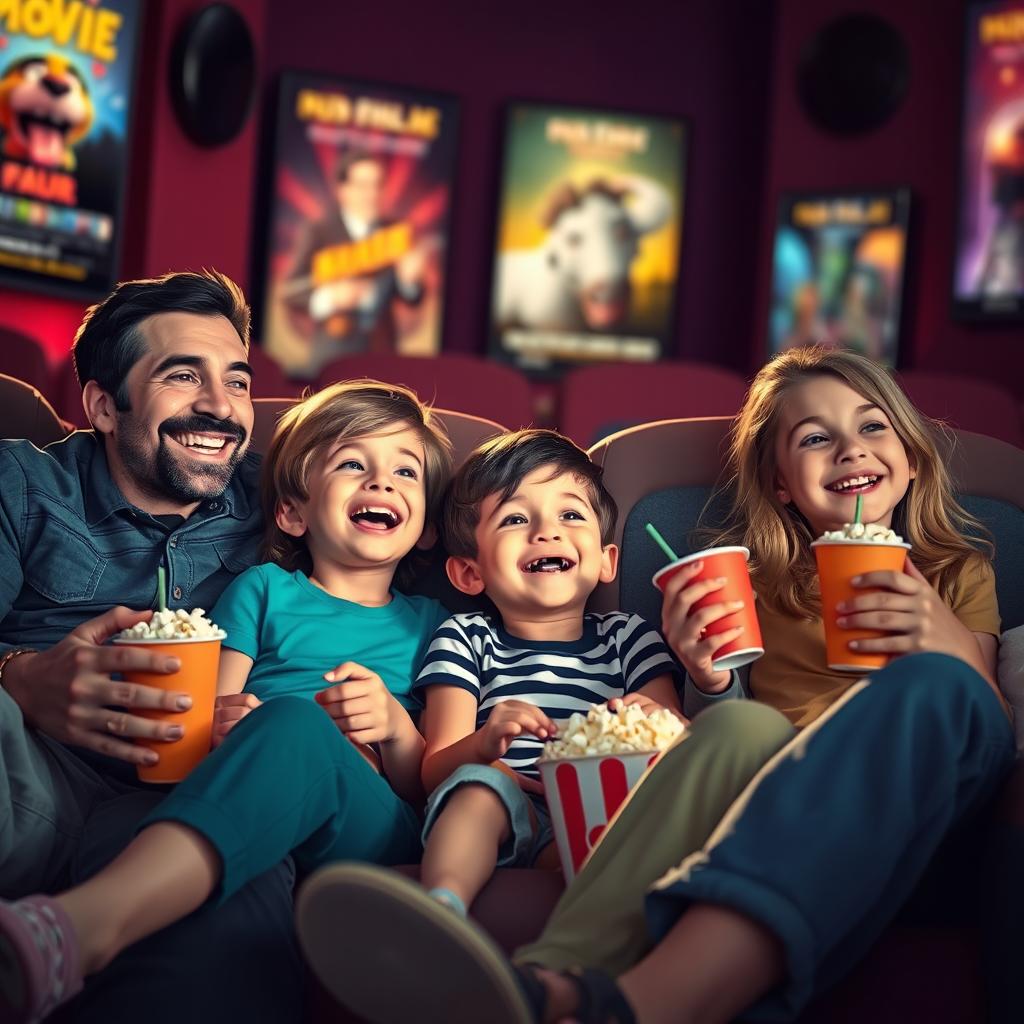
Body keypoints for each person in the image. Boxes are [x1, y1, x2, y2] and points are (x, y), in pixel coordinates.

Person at [293, 347, 1015, 1024]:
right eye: (815, 439)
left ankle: (638, 1003)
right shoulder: (757, 585)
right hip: (779, 777)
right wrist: (708, 677)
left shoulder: (956, 573)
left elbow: (984, 718)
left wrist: (942, 637)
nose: (851, 448)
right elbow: (711, 731)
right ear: (780, 484)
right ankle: (547, 978)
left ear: (913, 457)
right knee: (740, 728)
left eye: (872, 427)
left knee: (930, 686)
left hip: (920, 779)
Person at [0, 378, 454, 1023]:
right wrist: (229, 722)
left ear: (429, 527)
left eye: (405, 472)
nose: (381, 484)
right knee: (265, 739)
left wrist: (396, 730)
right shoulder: (263, 589)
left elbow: (431, 784)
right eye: (353, 464)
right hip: (247, 788)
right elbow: (206, 718)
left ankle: (83, 927)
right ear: (293, 513)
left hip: (368, 820)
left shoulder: (435, 623)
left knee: (294, 723)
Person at [0, 270, 310, 1023]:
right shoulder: (24, 481)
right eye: (182, 375)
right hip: (29, 768)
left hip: (188, 798)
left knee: (232, 915)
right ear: (105, 405)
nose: (220, 406)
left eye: (236, 381)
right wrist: (20, 679)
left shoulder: (288, 503)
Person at [284, 149, 427, 369]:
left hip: (383, 355)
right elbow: (292, 291)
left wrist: (409, 281)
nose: (371, 194)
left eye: (377, 185)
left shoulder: (396, 232)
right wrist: (329, 297)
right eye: (362, 185)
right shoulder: (318, 231)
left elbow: (413, 297)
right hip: (332, 356)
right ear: (343, 190)